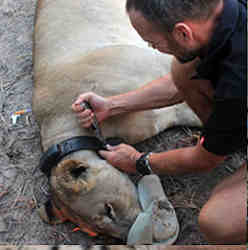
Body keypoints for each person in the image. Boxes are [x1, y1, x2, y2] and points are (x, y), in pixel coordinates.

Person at [72, 0, 247, 244]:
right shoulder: (226, 11)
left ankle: (229, 138)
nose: (153, 48)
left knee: (218, 222)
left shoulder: (237, 84)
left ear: (183, 32)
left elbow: (206, 159)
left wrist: (139, 162)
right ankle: (230, 135)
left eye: (153, 43)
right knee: (184, 69)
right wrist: (111, 105)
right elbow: (181, 81)